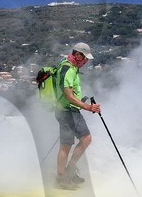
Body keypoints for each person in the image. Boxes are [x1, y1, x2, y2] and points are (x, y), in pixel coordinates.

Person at [43, 43, 102, 188]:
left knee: (85, 139)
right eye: (84, 58)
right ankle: (62, 178)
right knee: (66, 145)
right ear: (77, 55)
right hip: (66, 111)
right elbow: (69, 96)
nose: (86, 61)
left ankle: (68, 172)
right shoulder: (68, 69)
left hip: (71, 110)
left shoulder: (70, 66)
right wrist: (88, 107)